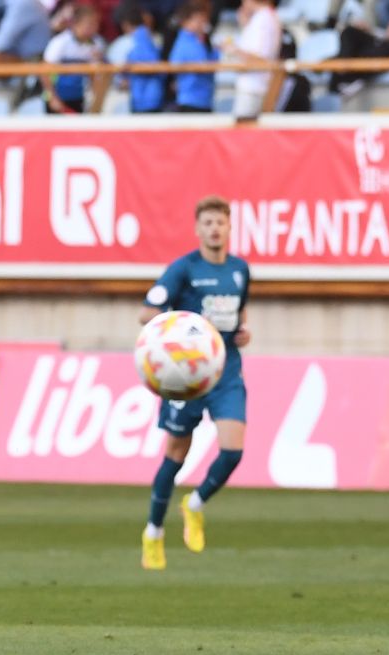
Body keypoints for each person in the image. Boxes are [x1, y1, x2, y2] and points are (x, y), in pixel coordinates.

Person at [138, 195, 250, 571]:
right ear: (198, 228)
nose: (214, 229)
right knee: (176, 455)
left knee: (233, 451)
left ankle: (196, 504)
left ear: (229, 227)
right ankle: (153, 532)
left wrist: (241, 331)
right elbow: (148, 311)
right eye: (208, 223)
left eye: (221, 222)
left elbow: (239, 310)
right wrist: (176, 335)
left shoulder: (239, 270)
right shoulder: (183, 269)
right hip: (187, 378)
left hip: (226, 371)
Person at [41, 2, 104, 112]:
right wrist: (52, 98)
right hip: (57, 99)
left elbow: (96, 74)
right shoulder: (60, 43)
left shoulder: (97, 44)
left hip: (79, 98)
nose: (93, 28)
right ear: (75, 24)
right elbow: (44, 73)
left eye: (95, 24)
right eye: (89, 24)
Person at [225, 0, 279, 117]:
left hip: (254, 88)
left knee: (244, 133)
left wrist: (234, 50)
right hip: (251, 87)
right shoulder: (261, 18)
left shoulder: (264, 19)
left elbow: (261, 60)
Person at [168, 0, 217, 112]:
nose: (202, 24)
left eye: (203, 20)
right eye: (198, 20)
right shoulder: (184, 43)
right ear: (186, 21)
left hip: (203, 99)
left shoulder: (199, 41)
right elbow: (174, 65)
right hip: (191, 100)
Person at [118, 2, 166, 112]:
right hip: (151, 95)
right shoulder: (149, 39)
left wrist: (126, 70)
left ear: (125, 25)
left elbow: (150, 63)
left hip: (144, 97)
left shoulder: (135, 41)